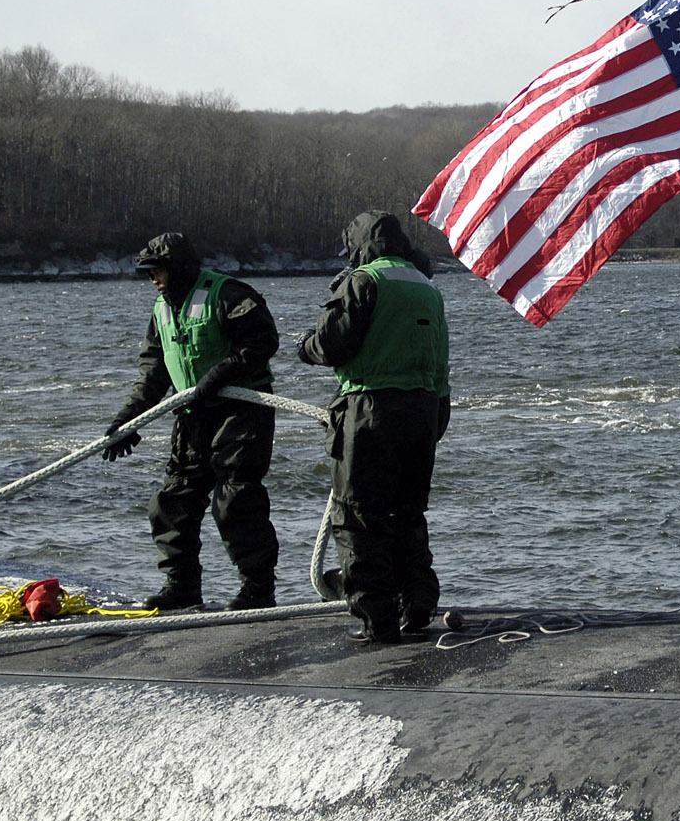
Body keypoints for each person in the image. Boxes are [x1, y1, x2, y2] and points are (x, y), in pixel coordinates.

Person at [101, 233, 281, 612]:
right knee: (171, 501)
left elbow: (262, 341)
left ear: (179, 268)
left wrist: (220, 375)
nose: (153, 280)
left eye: (158, 271)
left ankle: (257, 589)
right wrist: (128, 419)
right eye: (148, 274)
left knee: (236, 501)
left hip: (241, 411)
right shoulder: (161, 310)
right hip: (192, 414)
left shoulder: (229, 294)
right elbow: (153, 373)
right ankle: (181, 587)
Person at [296, 211, 451, 647]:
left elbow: (332, 343)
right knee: (408, 513)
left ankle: (376, 619)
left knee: (359, 517)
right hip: (424, 411)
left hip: (369, 410)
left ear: (360, 245)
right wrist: (437, 413)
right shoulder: (427, 287)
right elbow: (441, 361)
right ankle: (417, 602)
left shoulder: (364, 281)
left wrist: (304, 347)